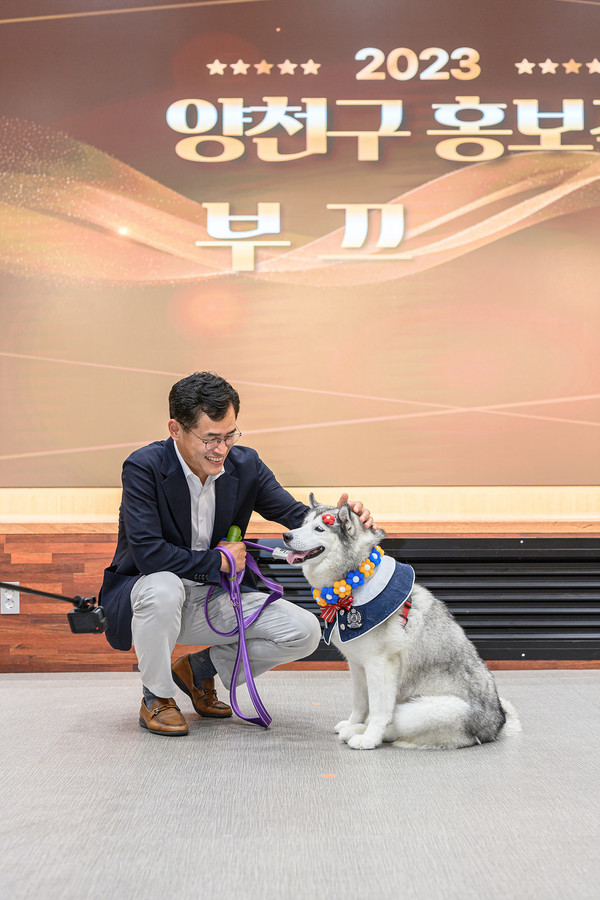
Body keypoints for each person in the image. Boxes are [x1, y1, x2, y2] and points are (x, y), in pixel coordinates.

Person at [100, 372, 374, 736]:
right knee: (164, 587)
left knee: (305, 632)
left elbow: (295, 514)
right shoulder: (143, 467)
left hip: (213, 596)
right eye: (211, 438)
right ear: (175, 429)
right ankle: (158, 697)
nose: (221, 448)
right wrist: (219, 561)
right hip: (151, 598)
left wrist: (340, 519)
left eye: (230, 435)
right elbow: (150, 554)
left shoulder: (246, 466)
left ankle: (198, 671)